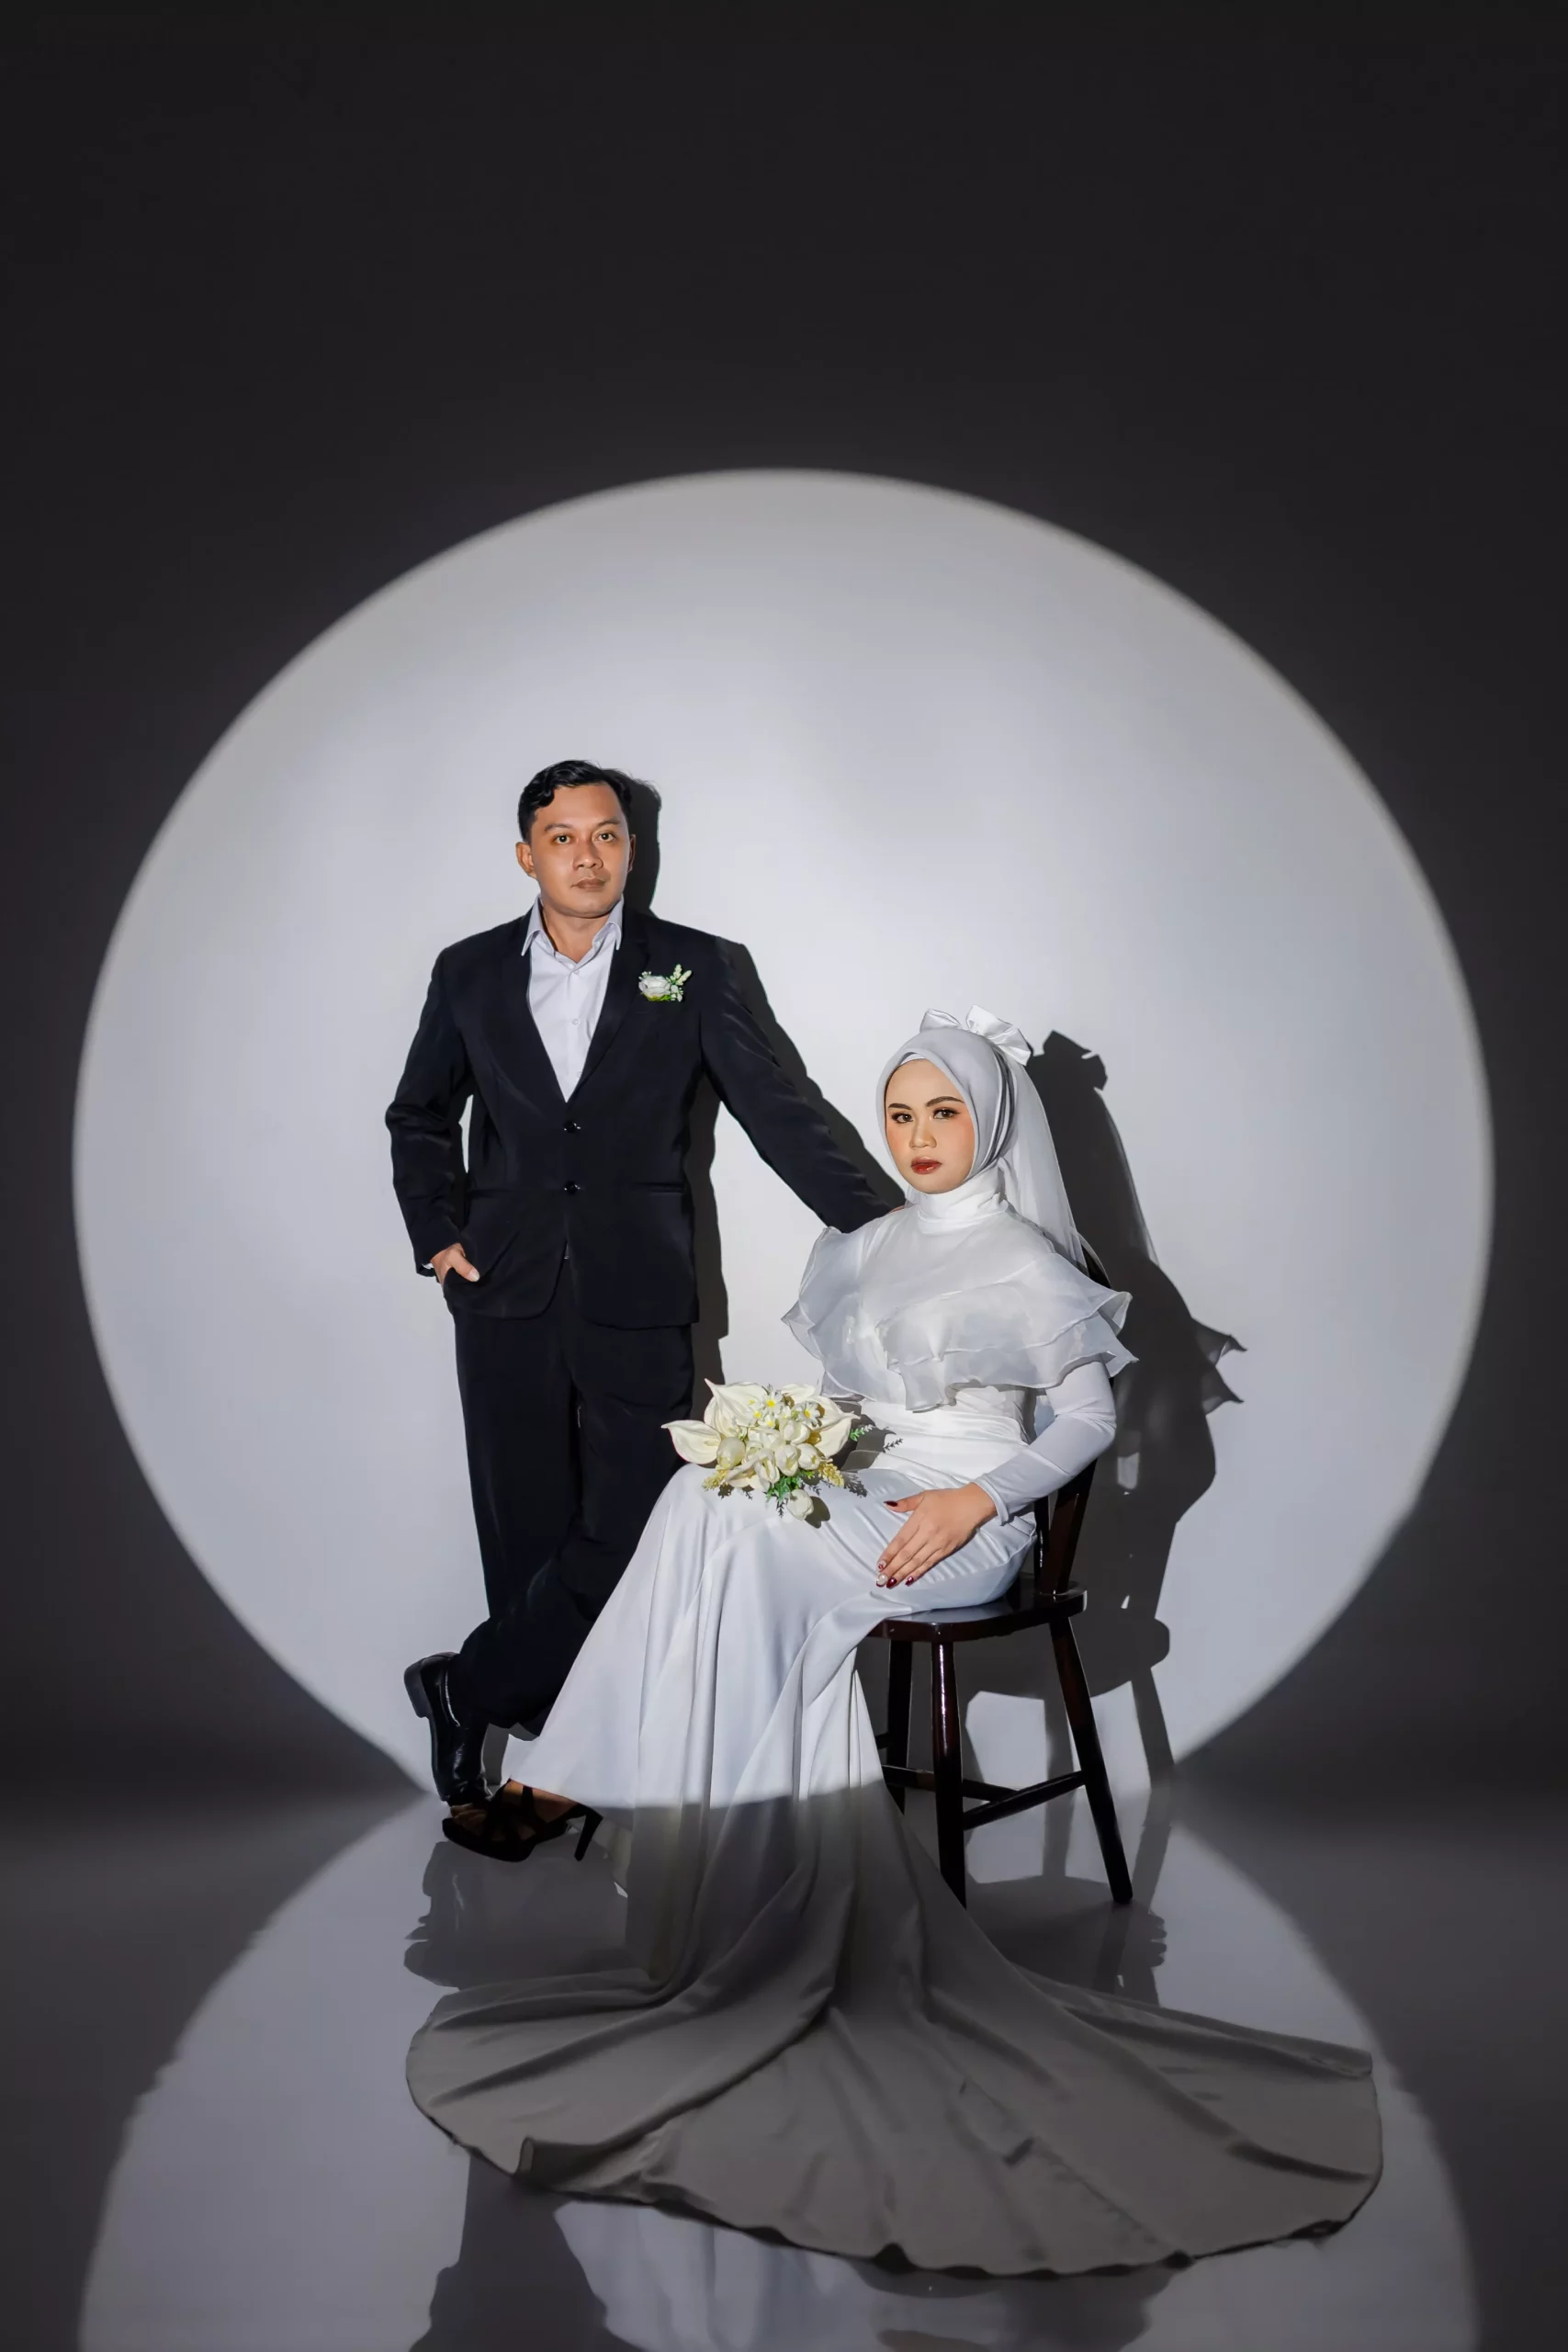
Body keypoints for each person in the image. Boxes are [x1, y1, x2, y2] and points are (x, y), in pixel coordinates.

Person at [405, 1008, 1382, 2277]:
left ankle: (601, 1791)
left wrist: (976, 1499)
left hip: (969, 1522)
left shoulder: (1026, 1257)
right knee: (702, 1493)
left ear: (989, 1124)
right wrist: (795, 1445)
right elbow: (850, 1406)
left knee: (748, 1537)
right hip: (870, 1487)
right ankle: (660, 1822)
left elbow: (1090, 1422)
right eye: (902, 1115)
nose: (920, 1137)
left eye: (945, 1114)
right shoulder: (863, 1248)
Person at [387, 760, 888, 1811]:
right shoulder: (469, 972)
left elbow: (781, 1112)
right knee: (524, 1529)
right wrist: (439, 1232)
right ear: (527, 856)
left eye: (607, 834)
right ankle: (559, 1763)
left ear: (631, 848)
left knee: (641, 1522)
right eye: (563, 838)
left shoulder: (695, 967)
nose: (588, 856)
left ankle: (466, 1688)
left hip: (641, 1290)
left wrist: (889, 1230)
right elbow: (420, 1112)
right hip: (503, 1290)